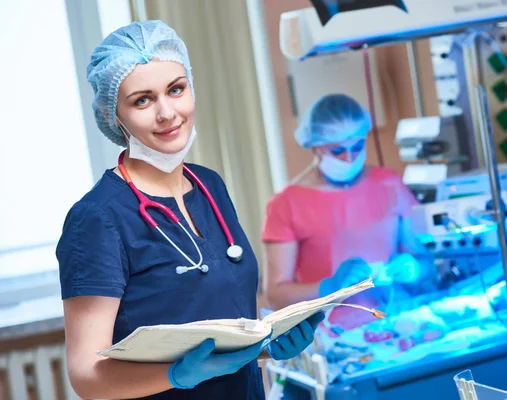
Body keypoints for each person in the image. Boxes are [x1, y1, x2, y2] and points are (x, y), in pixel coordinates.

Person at [56, 20, 323, 400]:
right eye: (142, 100)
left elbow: (219, 333)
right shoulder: (98, 219)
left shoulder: (209, 185)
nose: (167, 113)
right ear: (114, 115)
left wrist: (267, 345)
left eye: (176, 90)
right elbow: (85, 375)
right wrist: (179, 375)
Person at [262, 94, 420, 310]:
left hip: (396, 322)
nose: (349, 158)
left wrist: (415, 267)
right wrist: (330, 287)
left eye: (357, 147)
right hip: (329, 332)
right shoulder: (287, 203)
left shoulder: (389, 184)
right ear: (315, 146)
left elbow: (423, 255)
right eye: (337, 151)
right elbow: (276, 295)